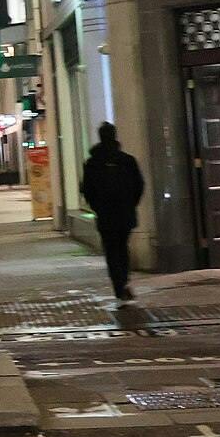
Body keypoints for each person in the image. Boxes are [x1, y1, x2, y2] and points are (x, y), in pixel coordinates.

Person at [79, 122, 145, 302]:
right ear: (115, 136)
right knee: (122, 248)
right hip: (125, 214)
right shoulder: (127, 160)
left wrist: (97, 207)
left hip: (106, 215)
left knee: (111, 250)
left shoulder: (92, 163)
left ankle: (118, 284)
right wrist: (131, 204)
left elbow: (87, 189)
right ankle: (124, 281)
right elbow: (139, 185)